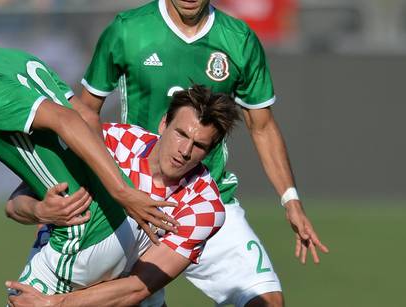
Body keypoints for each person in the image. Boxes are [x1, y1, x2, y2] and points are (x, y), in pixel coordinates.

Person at [0, 0, 180, 295]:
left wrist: (123, 192)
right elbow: (83, 116)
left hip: (85, 234)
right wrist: (41, 206)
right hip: (122, 222)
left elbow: (67, 120)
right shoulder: (4, 58)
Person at [76, 0, 329, 306]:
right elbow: (85, 113)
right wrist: (79, 182)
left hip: (206, 200)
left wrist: (290, 199)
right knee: (124, 297)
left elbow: (261, 126)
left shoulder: (238, 39)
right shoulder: (128, 30)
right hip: (136, 202)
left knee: (266, 301)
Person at [7, 84, 242, 307]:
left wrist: (55, 304)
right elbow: (14, 205)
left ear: (210, 151)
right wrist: (40, 211)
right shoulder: (111, 141)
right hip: (49, 285)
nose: (185, 151)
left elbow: (138, 287)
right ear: (163, 124)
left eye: (199, 145)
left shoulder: (203, 206)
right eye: (181, 134)